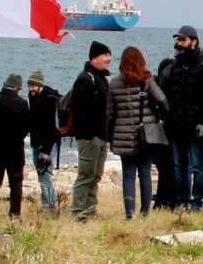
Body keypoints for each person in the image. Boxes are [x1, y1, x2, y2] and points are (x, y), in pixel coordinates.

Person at [157, 27, 203, 211]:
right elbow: (169, 94)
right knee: (178, 165)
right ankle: (180, 200)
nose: (179, 43)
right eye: (179, 40)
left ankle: (197, 200)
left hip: (195, 124)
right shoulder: (175, 64)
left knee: (198, 165)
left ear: (194, 41)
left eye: (183, 40)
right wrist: (167, 118)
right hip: (176, 124)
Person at [106, 46, 169, 220]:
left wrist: (110, 137)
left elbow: (110, 114)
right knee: (145, 173)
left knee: (128, 175)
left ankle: (129, 213)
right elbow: (162, 100)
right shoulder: (146, 80)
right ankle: (145, 212)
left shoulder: (115, 83)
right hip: (146, 135)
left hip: (123, 134)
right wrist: (159, 117)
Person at [68, 43, 114, 220]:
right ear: (94, 57)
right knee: (85, 175)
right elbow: (78, 108)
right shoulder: (85, 79)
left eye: (109, 55)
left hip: (101, 136)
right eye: (105, 55)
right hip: (89, 137)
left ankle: (90, 210)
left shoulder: (102, 79)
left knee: (95, 176)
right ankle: (78, 212)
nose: (108, 59)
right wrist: (87, 135)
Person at [0, 74, 28, 221]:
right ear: (17, 88)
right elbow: (25, 127)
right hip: (15, 149)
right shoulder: (22, 103)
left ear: (5, 84)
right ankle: (14, 214)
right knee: (15, 183)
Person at [25, 70, 62, 213]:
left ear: (40, 85)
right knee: (42, 178)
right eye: (29, 85)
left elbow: (52, 129)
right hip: (36, 143)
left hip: (48, 145)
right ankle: (49, 205)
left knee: (45, 178)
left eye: (33, 86)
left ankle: (50, 208)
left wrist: (46, 151)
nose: (30, 89)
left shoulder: (49, 100)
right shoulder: (33, 97)